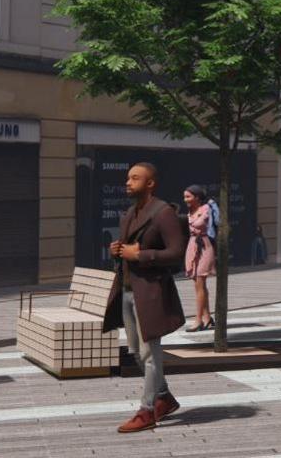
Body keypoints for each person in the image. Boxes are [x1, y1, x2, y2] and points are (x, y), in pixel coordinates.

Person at [105, 162, 186, 433]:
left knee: (150, 354)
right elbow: (127, 251)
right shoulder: (128, 214)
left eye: (135, 178)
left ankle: (147, 410)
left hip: (151, 292)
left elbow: (176, 253)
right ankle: (164, 397)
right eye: (128, 178)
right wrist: (118, 250)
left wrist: (141, 255)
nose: (128, 182)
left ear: (150, 183)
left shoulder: (163, 213)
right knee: (137, 354)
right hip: (128, 291)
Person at [183, 185, 215, 333]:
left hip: (204, 246)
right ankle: (207, 318)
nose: (185, 200)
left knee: (200, 282)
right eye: (185, 197)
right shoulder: (190, 211)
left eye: (188, 196)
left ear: (197, 197)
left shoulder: (206, 209)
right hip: (192, 246)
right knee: (198, 284)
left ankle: (198, 320)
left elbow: (198, 224)